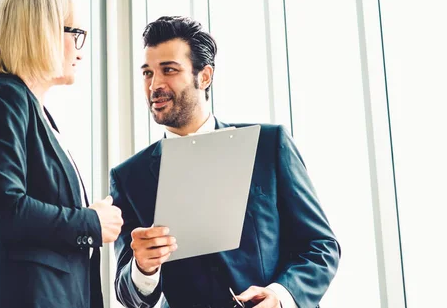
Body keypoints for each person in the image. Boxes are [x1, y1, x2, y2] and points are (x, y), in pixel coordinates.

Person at [111, 16, 340, 308]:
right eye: (147, 73)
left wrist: (280, 296)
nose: (155, 85)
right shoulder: (129, 177)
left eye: (168, 70)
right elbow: (129, 294)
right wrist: (143, 268)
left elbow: (320, 246)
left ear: (204, 76)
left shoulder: (268, 145)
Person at [0, 0, 123, 308]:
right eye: (74, 34)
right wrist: (91, 223)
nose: (79, 48)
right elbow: (5, 210)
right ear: (41, 33)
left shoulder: (33, 111)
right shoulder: (0, 99)